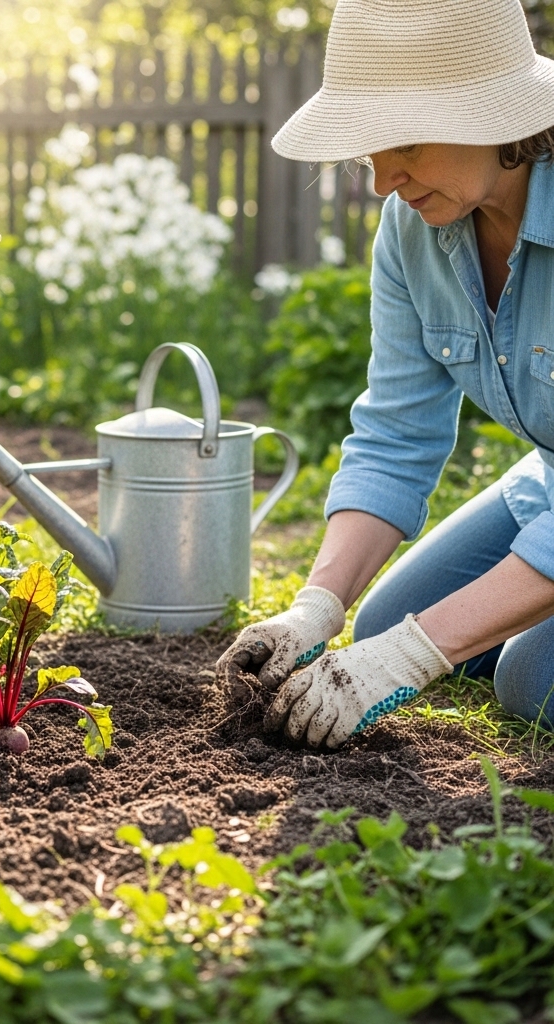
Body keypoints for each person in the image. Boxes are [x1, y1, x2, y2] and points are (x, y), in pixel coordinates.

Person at [217, 0, 554, 749]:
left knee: (529, 679)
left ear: (498, 119)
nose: (379, 182)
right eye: (367, 150)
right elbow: (397, 433)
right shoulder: (413, 230)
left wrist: (412, 656)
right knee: (382, 616)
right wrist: (316, 606)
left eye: (401, 142)